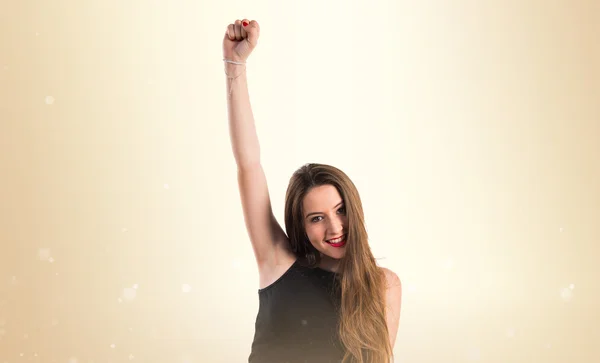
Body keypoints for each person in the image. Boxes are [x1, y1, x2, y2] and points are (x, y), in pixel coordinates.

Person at [223, 19, 402, 363]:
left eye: (340, 210)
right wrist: (236, 65)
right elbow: (248, 164)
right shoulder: (279, 263)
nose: (335, 228)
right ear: (301, 226)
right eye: (317, 218)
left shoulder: (384, 286)